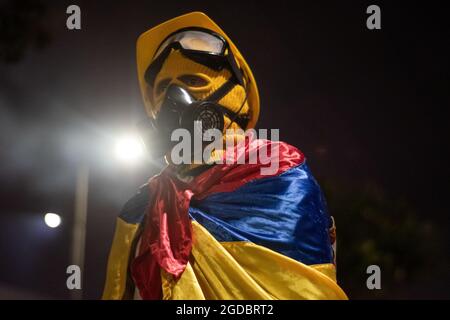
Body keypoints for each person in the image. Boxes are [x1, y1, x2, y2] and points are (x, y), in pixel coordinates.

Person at [102, 12, 347, 300]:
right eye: (163, 90)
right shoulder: (139, 208)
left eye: (193, 81)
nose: (173, 101)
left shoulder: (277, 173)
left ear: (236, 95)